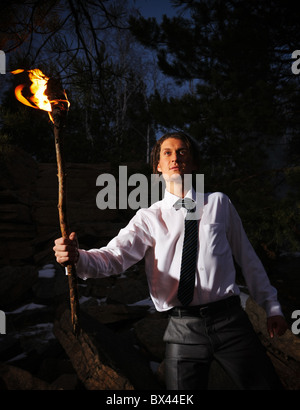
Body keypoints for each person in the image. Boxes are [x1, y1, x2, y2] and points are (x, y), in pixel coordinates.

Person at [53, 131, 288, 390]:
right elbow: (114, 257)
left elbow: (248, 258)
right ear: (158, 166)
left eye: (182, 151)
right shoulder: (148, 218)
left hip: (231, 322)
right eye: (167, 153)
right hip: (182, 327)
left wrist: (272, 306)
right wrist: (77, 258)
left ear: (194, 163)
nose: (175, 157)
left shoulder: (219, 204)